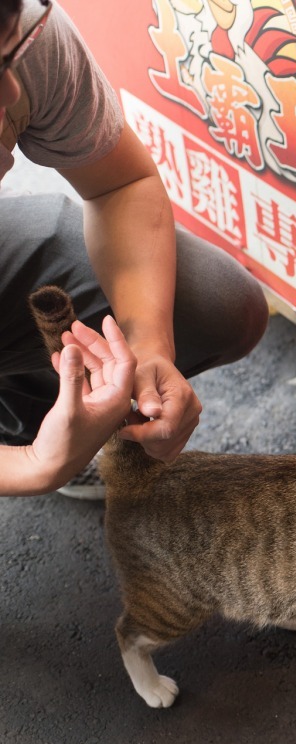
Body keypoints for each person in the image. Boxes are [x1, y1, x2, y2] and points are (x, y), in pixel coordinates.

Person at [0, 0, 268, 499]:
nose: (12, 91)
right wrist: (33, 465)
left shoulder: (26, 35)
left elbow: (119, 186)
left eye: (7, 54)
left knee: (215, 302)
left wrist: (149, 344)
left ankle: (31, 415)